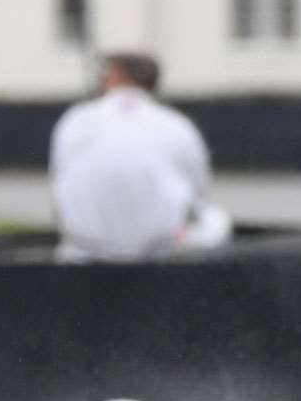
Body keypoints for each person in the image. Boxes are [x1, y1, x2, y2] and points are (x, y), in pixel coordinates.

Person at [48, 52, 229, 261]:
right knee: (216, 221)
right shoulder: (176, 124)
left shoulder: (77, 119)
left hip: (84, 249)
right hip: (157, 251)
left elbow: (58, 186)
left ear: (116, 76)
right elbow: (199, 194)